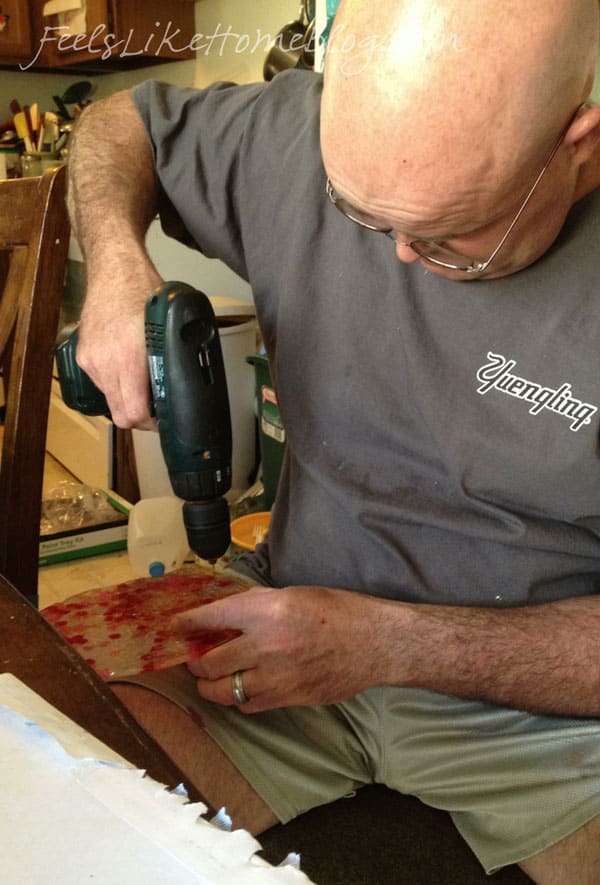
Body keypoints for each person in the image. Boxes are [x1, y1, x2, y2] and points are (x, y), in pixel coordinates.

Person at [67, 0, 600, 879]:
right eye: (361, 212)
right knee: (72, 799)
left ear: (578, 139)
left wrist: (389, 642)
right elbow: (117, 121)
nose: (398, 257)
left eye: (449, 234)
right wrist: (118, 261)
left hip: (543, 711)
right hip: (288, 654)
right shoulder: (297, 135)